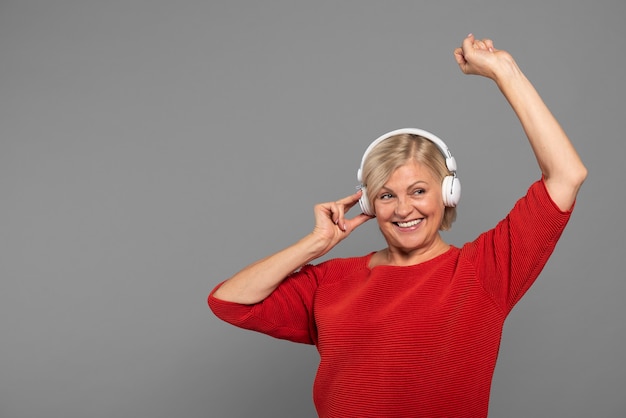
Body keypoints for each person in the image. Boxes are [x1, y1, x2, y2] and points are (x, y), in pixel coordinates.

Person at [208, 34, 587, 417]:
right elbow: (228, 302)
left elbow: (566, 175)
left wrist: (504, 72)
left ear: (448, 193)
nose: (404, 209)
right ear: (371, 204)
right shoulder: (332, 281)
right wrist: (314, 244)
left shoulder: (483, 271)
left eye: (418, 190)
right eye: (386, 195)